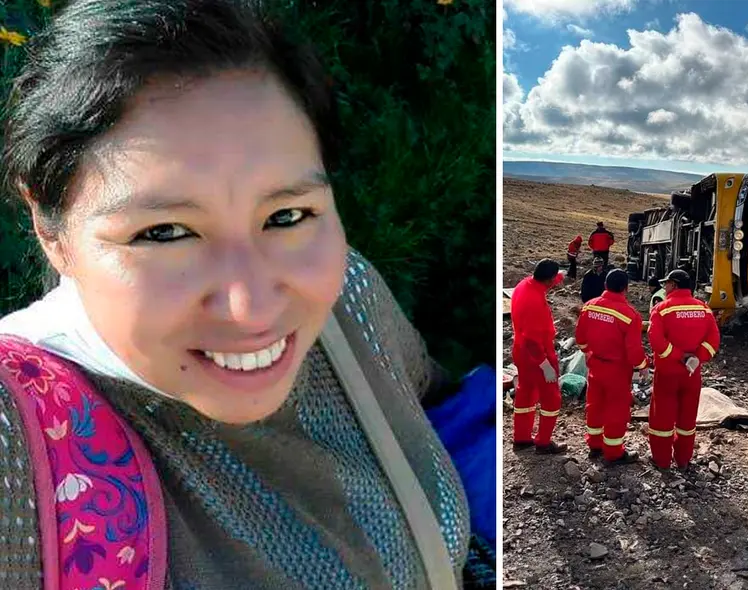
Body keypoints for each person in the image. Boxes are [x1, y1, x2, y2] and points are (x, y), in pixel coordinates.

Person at [0, 1, 493, 588]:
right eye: (164, 233)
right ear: (47, 228)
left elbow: (442, 420)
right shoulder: (19, 440)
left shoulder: (347, 304)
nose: (253, 308)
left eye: (286, 216)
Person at [647, 270, 721, 470]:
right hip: (692, 374)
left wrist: (679, 355)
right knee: (687, 420)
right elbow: (714, 340)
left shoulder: (661, 309)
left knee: (662, 418)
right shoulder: (704, 310)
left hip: (667, 374)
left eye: (667, 284)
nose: (665, 287)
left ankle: (661, 461)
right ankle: (683, 460)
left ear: (674, 285)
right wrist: (697, 357)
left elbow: (656, 341)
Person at [574, 270, 649, 466]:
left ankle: (594, 445)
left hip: (595, 365)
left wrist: (588, 352)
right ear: (626, 288)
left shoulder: (589, 307)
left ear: (605, 285)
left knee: (594, 404)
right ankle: (614, 452)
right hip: (617, 369)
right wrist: (643, 365)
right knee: (616, 409)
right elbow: (633, 350)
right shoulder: (630, 315)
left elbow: (580, 338)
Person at [510, 259, 567, 455]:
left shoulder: (523, 286)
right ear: (549, 280)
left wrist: (561, 276)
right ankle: (543, 443)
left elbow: (524, 339)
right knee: (551, 398)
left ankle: (522, 438)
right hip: (537, 355)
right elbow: (532, 341)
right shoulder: (534, 301)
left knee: (525, 393)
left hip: (520, 352)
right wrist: (545, 365)